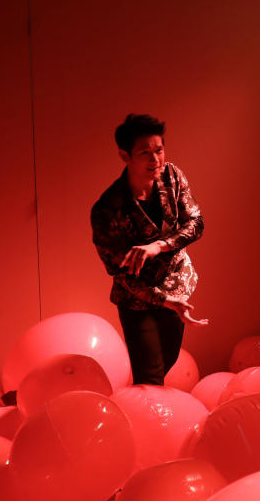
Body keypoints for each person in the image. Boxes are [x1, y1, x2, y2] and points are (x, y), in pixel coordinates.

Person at [91, 114, 208, 385]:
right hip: (137, 299)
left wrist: (159, 246)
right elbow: (121, 273)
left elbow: (196, 223)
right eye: (145, 153)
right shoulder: (108, 208)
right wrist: (163, 300)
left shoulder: (172, 176)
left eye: (159, 150)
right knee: (150, 376)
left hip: (175, 285)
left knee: (168, 360)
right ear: (125, 156)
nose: (155, 160)